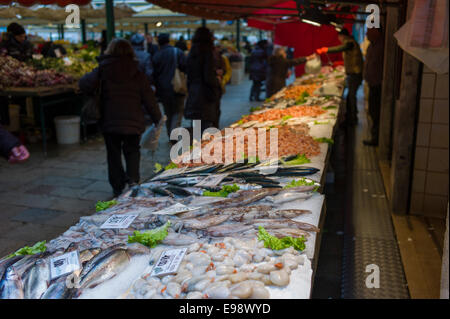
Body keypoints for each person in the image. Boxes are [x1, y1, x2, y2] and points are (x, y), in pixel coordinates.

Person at [78, 38, 162, 197]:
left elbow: (83, 84)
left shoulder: (102, 69)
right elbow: (149, 99)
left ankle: (117, 187)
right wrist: (157, 118)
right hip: (133, 121)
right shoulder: (137, 72)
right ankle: (133, 181)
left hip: (109, 121)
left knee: (113, 153)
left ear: (110, 50)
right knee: (132, 151)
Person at [316, 28, 364, 125]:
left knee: (351, 96)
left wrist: (327, 49)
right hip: (353, 74)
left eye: (339, 37)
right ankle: (350, 117)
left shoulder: (350, 43)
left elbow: (340, 48)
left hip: (355, 74)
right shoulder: (350, 42)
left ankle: (352, 119)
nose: (339, 39)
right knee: (350, 96)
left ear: (342, 36)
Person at [184, 27, 222, 134]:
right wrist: (217, 80)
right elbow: (208, 76)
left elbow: (189, 75)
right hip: (206, 95)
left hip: (194, 94)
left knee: (197, 129)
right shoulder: (207, 52)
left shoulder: (192, 52)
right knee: (207, 130)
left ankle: (195, 150)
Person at [152, 33, 187, 141]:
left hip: (163, 89)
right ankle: (174, 133)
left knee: (168, 112)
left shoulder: (156, 55)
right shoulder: (177, 52)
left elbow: (154, 73)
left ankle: (170, 134)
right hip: (177, 87)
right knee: (178, 111)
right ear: (169, 41)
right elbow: (185, 68)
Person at [362, 28, 384, 146]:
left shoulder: (382, 47)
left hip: (378, 85)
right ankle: (374, 137)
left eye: (369, 31)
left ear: (377, 32)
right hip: (372, 83)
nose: (366, 34)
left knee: (376, 112)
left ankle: (376, 139)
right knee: (372, 111)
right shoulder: (372, 46)